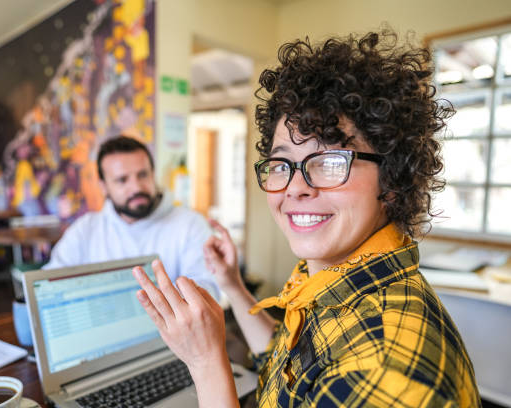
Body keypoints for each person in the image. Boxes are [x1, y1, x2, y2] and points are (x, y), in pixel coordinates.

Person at [132, 29, 480, 407]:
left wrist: (205, 361)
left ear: (393, 179)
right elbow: (292, 371)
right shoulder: (335, 278)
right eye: (282, 163)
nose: (295, 187)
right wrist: (232, 285)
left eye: (330, 161)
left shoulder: (382, 369)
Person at [45, 136, 219, 299]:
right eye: (122, 180)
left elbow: (208, 292)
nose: (136, 187)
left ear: (153, 174)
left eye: (143, 175)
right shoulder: (85, 229)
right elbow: (49, 287)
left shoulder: (190, 225)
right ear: (103, 186)